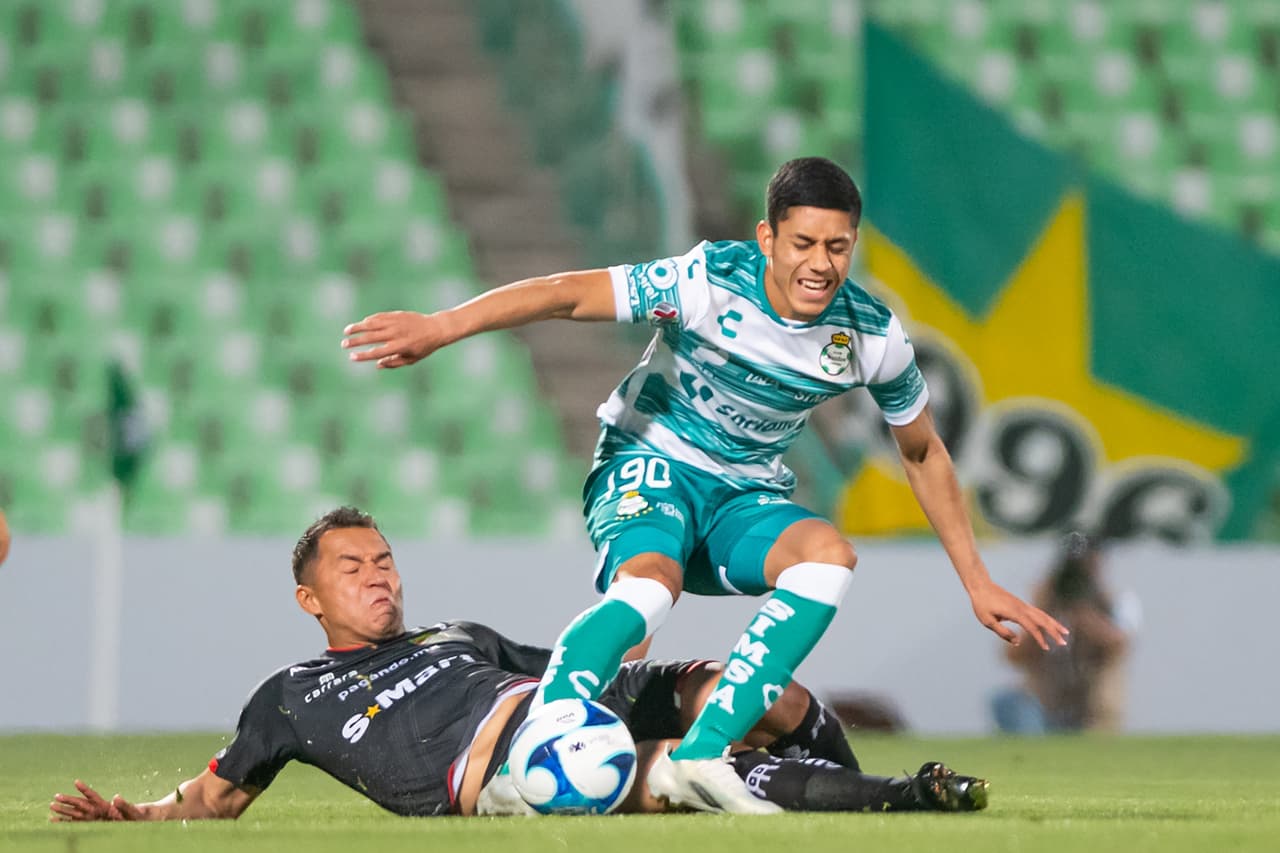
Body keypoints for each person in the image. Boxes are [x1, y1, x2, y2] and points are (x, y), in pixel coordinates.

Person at [341, 157, 1067, 813]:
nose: (820, 264)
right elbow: (566, 295)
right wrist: (442, 325)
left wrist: (977, 580)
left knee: (829, 556)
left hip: (739, 501)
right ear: (767, 237)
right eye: (803, 244)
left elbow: (923, 451)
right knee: (652, 588)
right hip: (647, 462)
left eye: (837, 247)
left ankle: (697, 755)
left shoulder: (872, 336)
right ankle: (550, 724)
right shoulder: (706, 281)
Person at [49, 507, 987, 822]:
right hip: (515, 767)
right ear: (311, 599)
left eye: (384, 560)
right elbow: (218, 794)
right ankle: (907, 797)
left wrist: (635, 632)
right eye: (352, 568)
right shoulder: (291, 697)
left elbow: (578, 667)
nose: (378, 578)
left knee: (766, 695)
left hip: (567, 701)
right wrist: (135, 812)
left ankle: (847, 801)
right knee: (705, 774)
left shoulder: (458, 630)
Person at [993, 532, 1140, 734]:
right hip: (1047, 700)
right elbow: (1012, 656)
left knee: (1110, 687)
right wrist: (1039, 614)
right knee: (1005, 701)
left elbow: (1120, 647)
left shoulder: (1116, 601)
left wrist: (1085, 615)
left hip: (1092, 701)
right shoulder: (1042, 601)